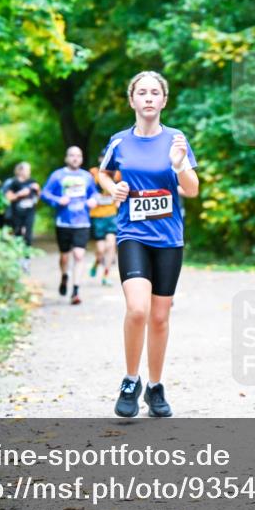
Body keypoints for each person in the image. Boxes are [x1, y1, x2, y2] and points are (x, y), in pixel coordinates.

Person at [96, 70, 199, 418]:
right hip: (132, 234)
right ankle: (130, 380)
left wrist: (179, 164)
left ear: (164, 100)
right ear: (132, 100)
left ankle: (155, 387)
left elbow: (193, 188)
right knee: (137, 309)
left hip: (169, 238)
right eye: (142, 92)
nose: (149, 98)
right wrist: (114, 190)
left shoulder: (176, 140)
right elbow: (102, 172)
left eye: (156, 92)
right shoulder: (120, 141)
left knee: (159, 316)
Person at [41, 146, 98, 305]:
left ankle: (76, 290)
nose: (75, 158)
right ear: (66, 158)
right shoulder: (57, 175)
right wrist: (57, 200)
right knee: (64, 256)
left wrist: (94, 200)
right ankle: (64, 275)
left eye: (78, 156)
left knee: (79, 255)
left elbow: (94, 193)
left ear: (81, 159)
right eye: (72, 155)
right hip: (64, 222)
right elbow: (44, 193)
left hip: (82, 221)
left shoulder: (87, 176)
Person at [89, 146, 120, 286]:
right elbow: (86, 190)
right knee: (101, 249)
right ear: (100, 159)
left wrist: (119, 200)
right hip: (97, 216)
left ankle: (106, 275)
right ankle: (96, 262)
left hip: (111, 215)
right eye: (103, 157)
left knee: (111, 244)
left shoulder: (118, 174)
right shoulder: (93, 173)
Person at [4, 161, 40, 273]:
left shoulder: (32, 182)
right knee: (18, 235)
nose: (28, 172)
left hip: (29, 212)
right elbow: (8, 197)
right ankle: (17, 260)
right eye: (26, 169)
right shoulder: (13, 183)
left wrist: (37, 190)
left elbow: (38, 197)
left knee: (28, 236)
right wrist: (20, 194)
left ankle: (26, 261)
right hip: (16, 213)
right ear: (20, 170)